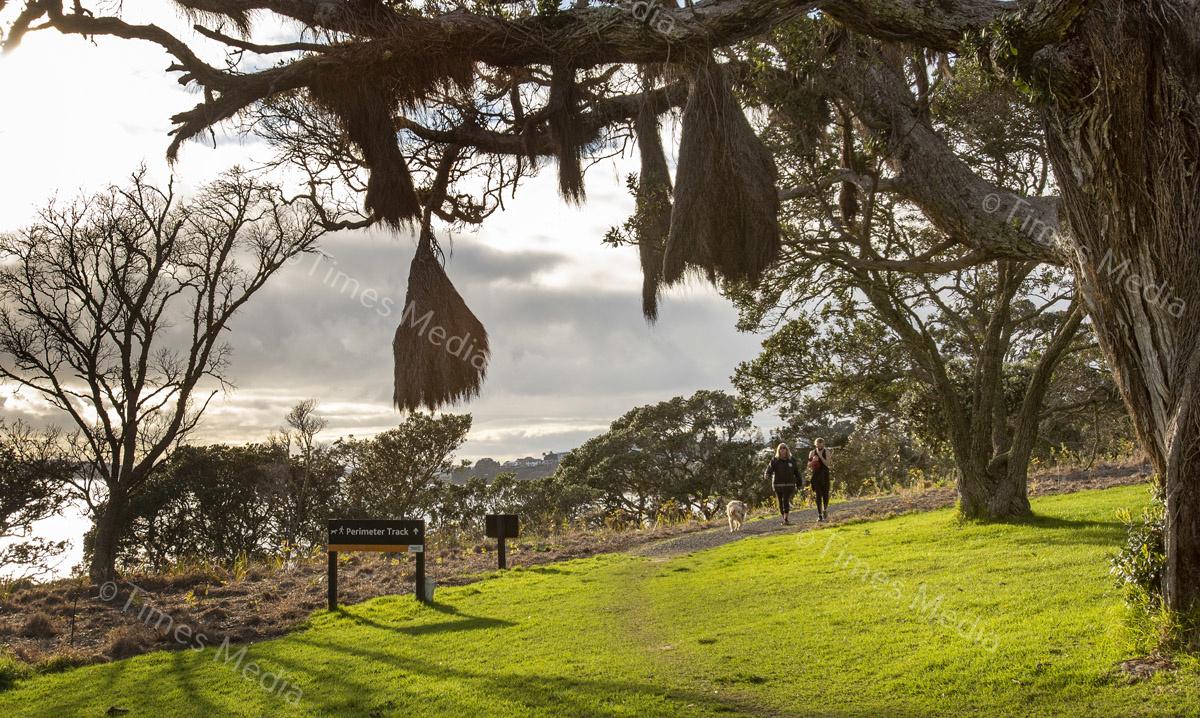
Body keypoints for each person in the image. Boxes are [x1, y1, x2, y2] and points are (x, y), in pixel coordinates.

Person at [764, 443, 802, 525]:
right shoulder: (775, 460)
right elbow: (769, 469)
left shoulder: (792, 460)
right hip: (778, 485)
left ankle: (786, 519)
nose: (782, 450)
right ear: (778, 450)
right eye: (780, 448)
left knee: (785, 500)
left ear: (787, 450)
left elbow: (797, 472)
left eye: (784, 448)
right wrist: (767, 474)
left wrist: (799, 483)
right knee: (780, 502)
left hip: (789, 484)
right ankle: (783, 517)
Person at [809, 438, 832, 522]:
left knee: (825, 494)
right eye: (817, 444)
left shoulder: (827, 452)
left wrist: (820, 456)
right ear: (815, 444)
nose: (819, 445)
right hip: (816, 475)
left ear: (823, 444)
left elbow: (827, 464)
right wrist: (813, 461)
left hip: (825, 474)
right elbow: (808, 465)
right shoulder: (812, 452)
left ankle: (825, 509)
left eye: (821, 444)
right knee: (818, 495)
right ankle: (819, 515)